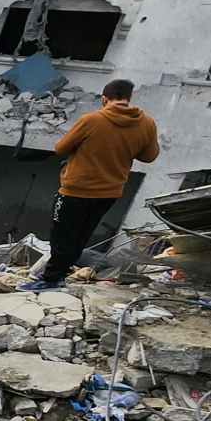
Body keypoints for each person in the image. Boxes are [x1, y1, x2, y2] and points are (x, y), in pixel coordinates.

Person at [23, 79, 160, 290]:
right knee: (81, 235)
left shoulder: (91, 120)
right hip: (109, 193)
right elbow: (149, 156)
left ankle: (51, 279)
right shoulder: (147, 123)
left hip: (75, 191)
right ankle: (58, 274)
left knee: (61, 236)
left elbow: (61, 148)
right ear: (128, 98)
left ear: (104, 99)